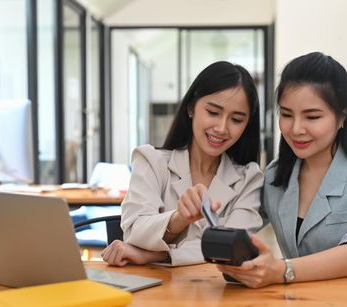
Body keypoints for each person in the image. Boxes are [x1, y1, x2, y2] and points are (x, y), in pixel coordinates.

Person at [218, 52, 347, 288]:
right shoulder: (274, 176)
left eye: (312, 117)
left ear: (343, 116)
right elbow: (237, 227)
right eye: (286, 115)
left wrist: (283, 270)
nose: (296, 129)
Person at [101, 61, 263, 266]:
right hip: (154, 293)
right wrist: (179, 218)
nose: (222, 128)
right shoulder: (151, 161)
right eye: (213, 112)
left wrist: (158, 254)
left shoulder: (249, 178)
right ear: (191, 108)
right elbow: (134, 232)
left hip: (218, 294)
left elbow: (235, 248)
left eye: (236, 119)